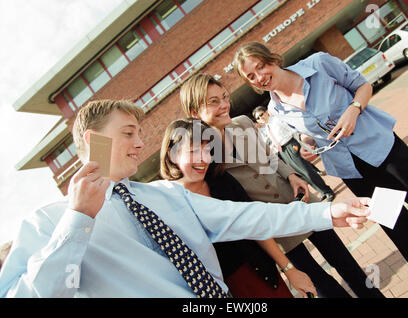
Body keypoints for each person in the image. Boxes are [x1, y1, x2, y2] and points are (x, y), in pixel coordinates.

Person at [0, 99, 370, 298]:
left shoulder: (167, 194)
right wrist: (78, 219)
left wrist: (327, 212)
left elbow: (247, 217)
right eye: (129, 133)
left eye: (140, 133)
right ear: (93, 140)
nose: (141, 144)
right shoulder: (47, 222)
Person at [233, 41, 408, 298]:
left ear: (272, 59)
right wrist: (307, 145)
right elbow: (311, 134)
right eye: (251, 76)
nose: (260, 77)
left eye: (260, 67)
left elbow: (363, 86)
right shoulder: (275, 110)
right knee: (405, 234)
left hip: (386, 153)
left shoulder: (319, 64)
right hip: (356, 174)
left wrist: (353, 111)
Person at [180, 73, 385, 298]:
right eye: (213, 101)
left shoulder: (243, 123)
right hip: (275, 225)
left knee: (347, 264)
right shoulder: (202, 157)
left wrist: (291, 175)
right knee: (318, 283)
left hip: (301, 201)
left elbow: (271, 157)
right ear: (194, 112)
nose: (224, 105)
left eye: (224, 97)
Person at [160, 117, 316, 297]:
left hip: (264, 276)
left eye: (208, 150)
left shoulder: (222, 180)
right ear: (172, 154)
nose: (203, 159)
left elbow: (254, 224)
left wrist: (289, 269)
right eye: (194, 151)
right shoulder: (166, 201)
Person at [252, 105, 335, 202]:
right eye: (258, 118)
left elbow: (293, 130)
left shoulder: (277, 120)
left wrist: (300, 143)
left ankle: (327, 191)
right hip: (282, 151)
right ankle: (321, 191)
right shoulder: (266, 128)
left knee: (307, 171)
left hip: (290, 145)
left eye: (261, 114)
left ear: (266, 112)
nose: (261, 118)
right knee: (302, 174)